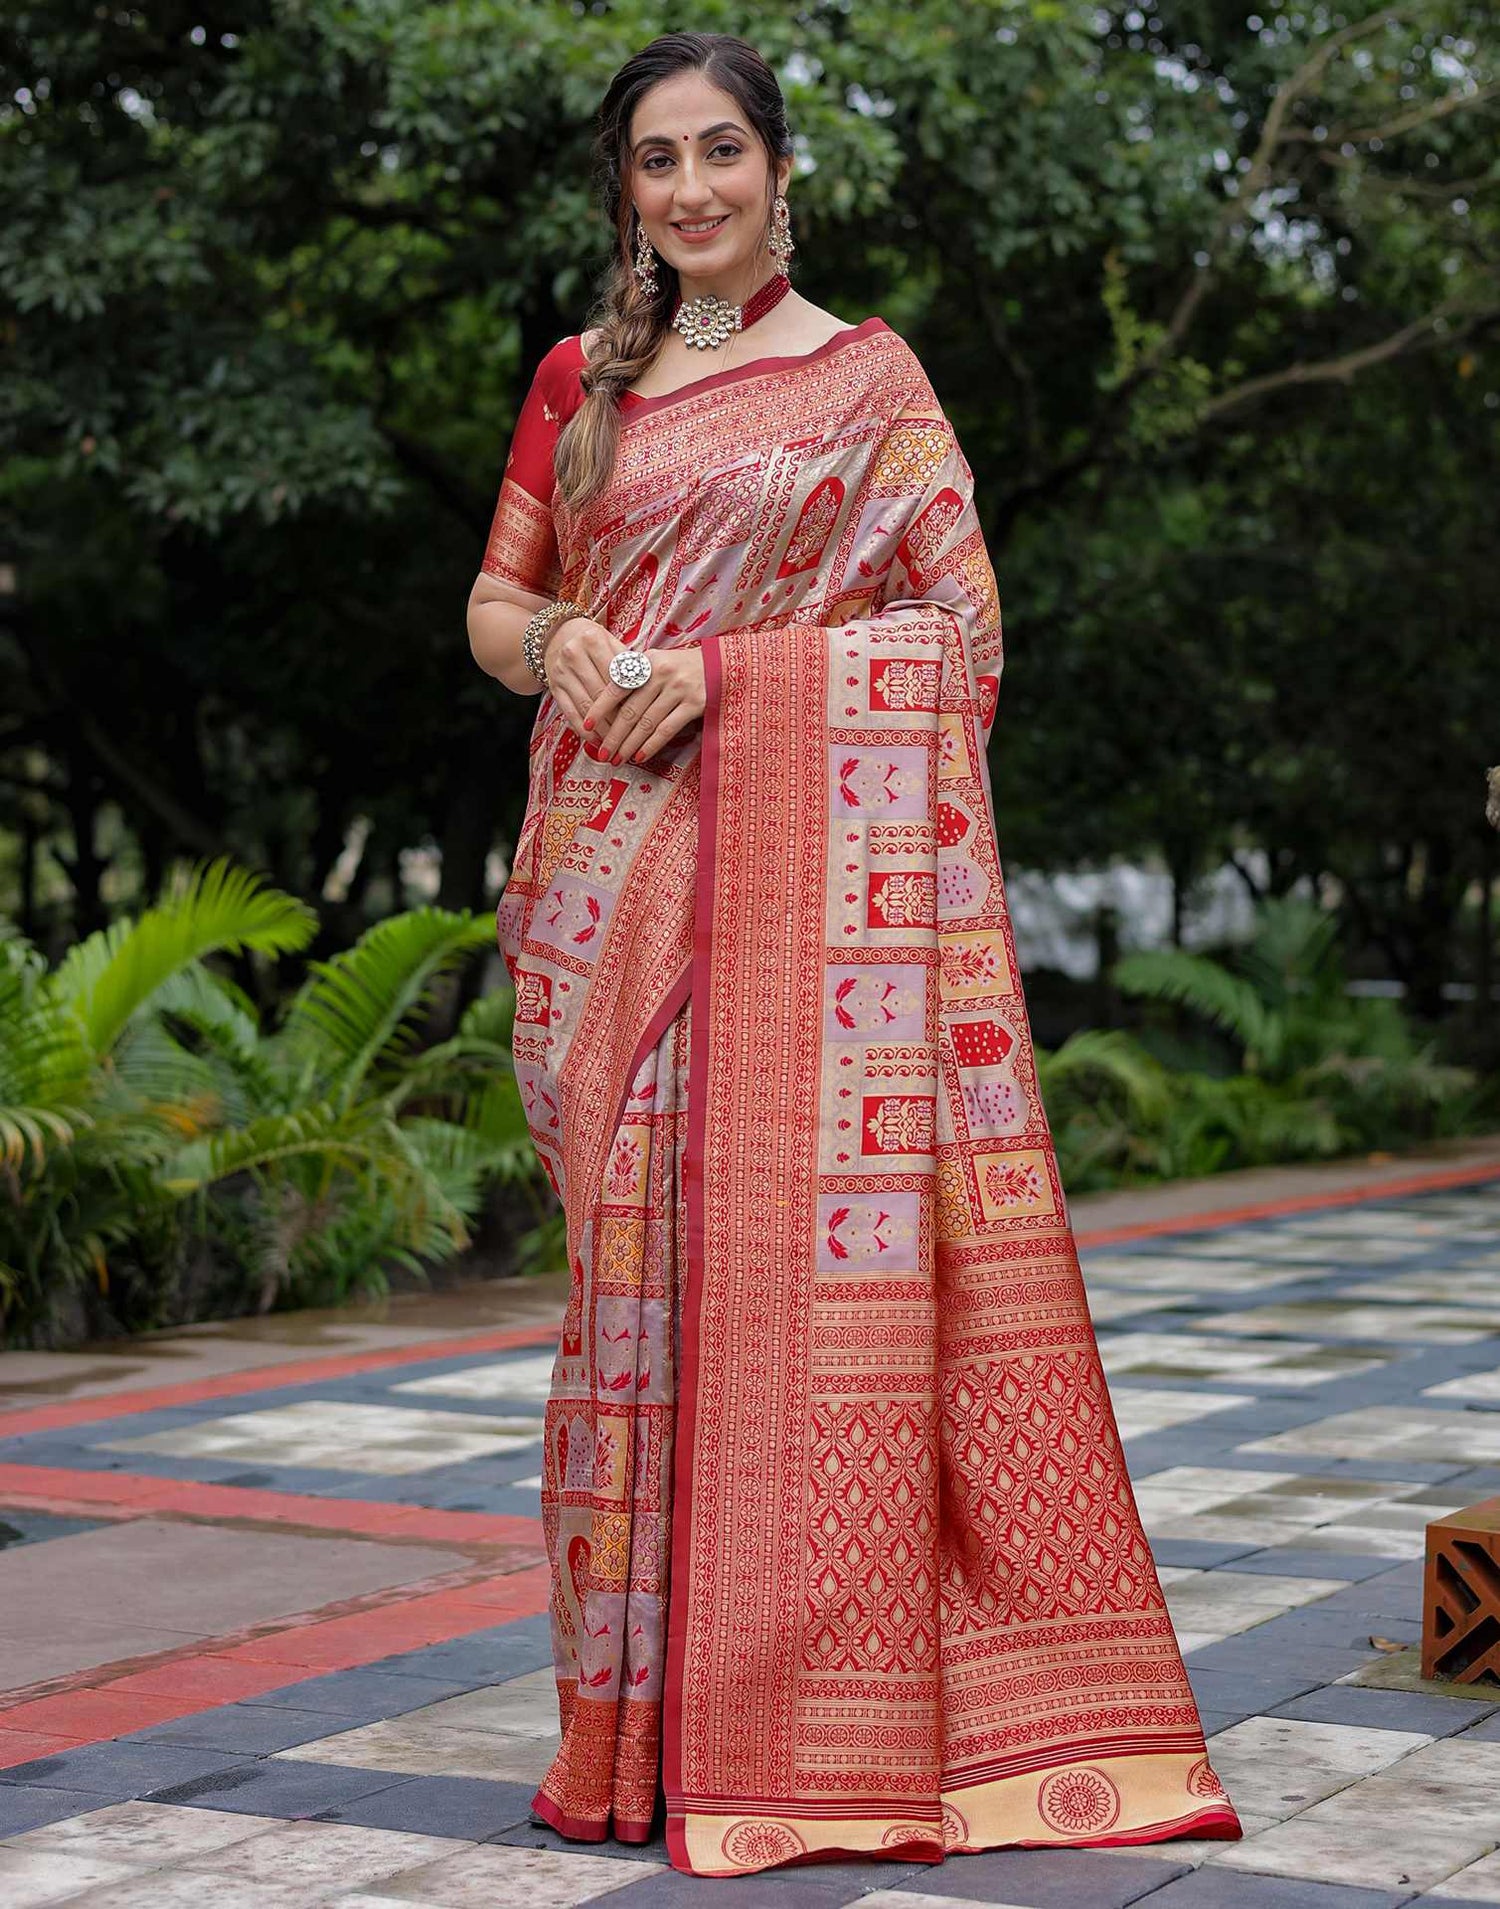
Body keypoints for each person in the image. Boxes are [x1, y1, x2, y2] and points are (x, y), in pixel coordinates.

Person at [466, 29, 1241, 1882]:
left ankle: (804, 1721)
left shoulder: (871, 383)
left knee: (798, 1310)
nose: (690, 191)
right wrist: (559, 649)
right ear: (626, 195)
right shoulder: (584, 379)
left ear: (780, 171)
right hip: (610, 896)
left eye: (720, 152)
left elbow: (957, 639)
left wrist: (727, 680)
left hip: (805, 939)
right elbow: (499, 599)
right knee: (630, 1296)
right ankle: (631, 1743)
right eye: (655, 163)